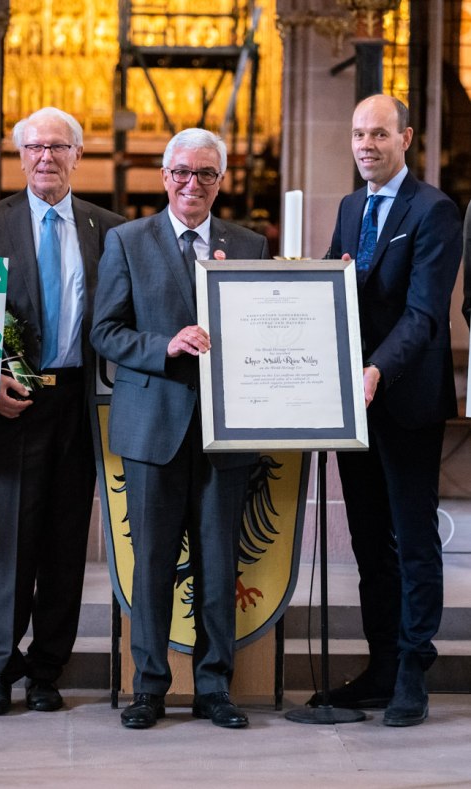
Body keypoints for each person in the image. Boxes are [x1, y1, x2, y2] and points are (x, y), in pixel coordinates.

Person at [91, 128, 270, 729]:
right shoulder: (126, 240)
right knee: (153, 564)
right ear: (164, 176)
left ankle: (215, 688)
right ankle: (150, 686)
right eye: (182, 172)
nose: (193, 184)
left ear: (223, 180)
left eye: (207, 174)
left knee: (220, 566)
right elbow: (106, 331)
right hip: (153, 428)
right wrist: (163, 345)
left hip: (227, 431)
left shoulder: (249, 244)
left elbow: (267, 326)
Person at [0, 107, 124, 716]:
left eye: (58, 147)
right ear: (19, 154)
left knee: (63, 544)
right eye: (34, 147)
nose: (46, 157)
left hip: (78, 405)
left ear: (78, 156)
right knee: (9, 542)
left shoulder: (108, 229)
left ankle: (47, 669)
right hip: (9, 406)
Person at [307, 94, 462, 726]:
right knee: (370, 543)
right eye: (357, 134)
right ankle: (378, 666)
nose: (366, 144)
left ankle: (412, 671)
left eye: (378, 133)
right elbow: (327, 286)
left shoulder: (435, 210)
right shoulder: (350, 208)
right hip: (353, 406)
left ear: (406, 139)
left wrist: (376, 370)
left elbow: (425, 314)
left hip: (405, 402)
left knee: (412, 540)